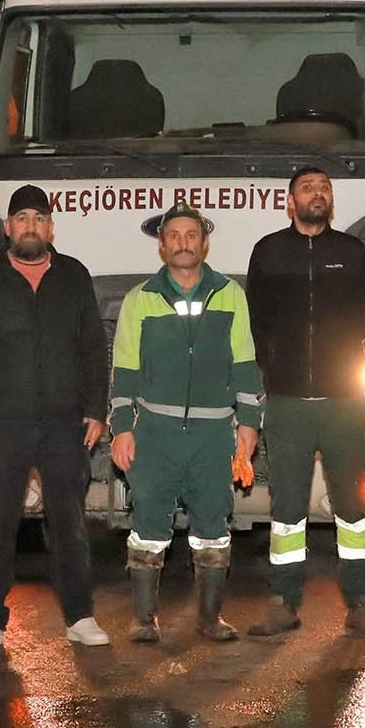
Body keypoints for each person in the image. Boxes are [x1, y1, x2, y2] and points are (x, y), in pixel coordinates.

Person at [0, 183, 112, 654]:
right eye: (21, 218)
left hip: (66, 424)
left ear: (50, 227)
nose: (30, 227)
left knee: (70, 524)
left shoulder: (74, 276)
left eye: (39, 219)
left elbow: (92, 350)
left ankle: (80, 616)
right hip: (3, 422)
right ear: (7, 228)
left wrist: (96, 410)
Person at [244, 166, 365, 639]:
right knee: (287, 506)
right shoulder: (269, 252)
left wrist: (334, 361)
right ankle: (282, 602)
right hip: (288, 401)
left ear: (332, 202)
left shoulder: (351, 252)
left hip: (343, 400)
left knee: (352, 504)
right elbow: (258, 318)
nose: (318, 194)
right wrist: (275, 364)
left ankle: (362, 602)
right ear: (289, 202)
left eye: (325, 188)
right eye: (308, 188)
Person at [108, 204, 263, 644]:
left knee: (213, 528)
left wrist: (249, 423)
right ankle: (143, 619)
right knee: (149, 527)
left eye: (190, 235)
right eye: (173, 235)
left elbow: (246, 364)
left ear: (204, 242)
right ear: (161, 245)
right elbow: (125, 369)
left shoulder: (230, 293)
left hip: (214, 435)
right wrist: (122, 426)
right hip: (155, 433)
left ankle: (210, 619)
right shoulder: (140, 299)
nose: (182, 243)